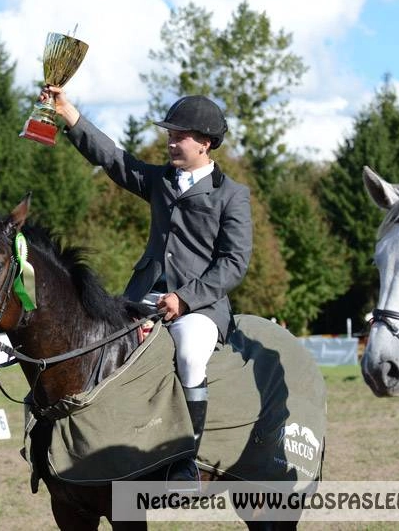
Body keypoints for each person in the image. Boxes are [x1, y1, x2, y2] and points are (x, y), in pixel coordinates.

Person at [40, 86, 253, 483]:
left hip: (200, 306)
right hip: (144, 297)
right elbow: (113, 159)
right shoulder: (160, 180)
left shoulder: (232, 196)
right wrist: (69, 113)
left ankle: (187, 457)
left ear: (205, 143)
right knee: (97, 347)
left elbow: (234, 263)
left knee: (188, 354)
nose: (170, 141)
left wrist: (185, 300)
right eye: (170, 135)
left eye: (179, 135)